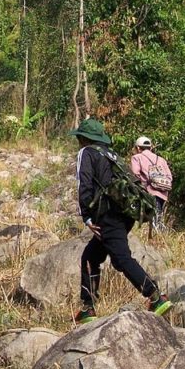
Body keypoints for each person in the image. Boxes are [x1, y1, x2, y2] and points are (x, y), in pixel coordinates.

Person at [69, 118, 172, 324]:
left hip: (108, 215)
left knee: (121, 258)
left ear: (83, 138)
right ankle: (88, 307)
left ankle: (155, 297)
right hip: (125, 214)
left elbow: (85, 184)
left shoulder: (86, 153)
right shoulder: (112, 155)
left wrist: (87, 216)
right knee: (90, 257)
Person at [130, 135, 172, 233]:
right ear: (150, 147)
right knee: (158, 216)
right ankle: (159, 237)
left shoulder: (137, 158)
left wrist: (142, 185)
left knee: (150, 219)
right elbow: (169, 176)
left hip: (148, 192)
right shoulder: (161, 159)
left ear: (138, 148)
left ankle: (155, 238)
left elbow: (135, 174)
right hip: (163, 193)